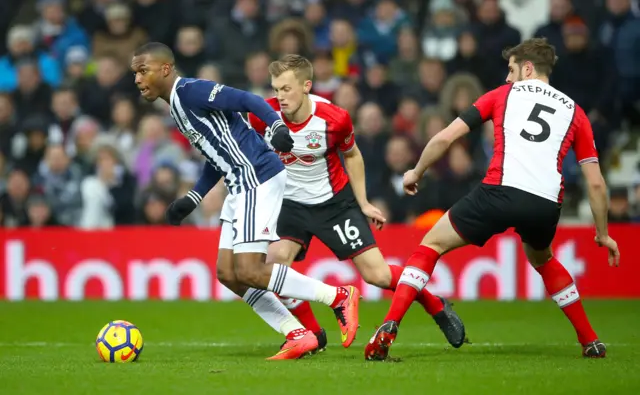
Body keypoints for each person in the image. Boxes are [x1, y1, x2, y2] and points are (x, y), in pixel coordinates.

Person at [365, 38, 620, 361]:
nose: (507, 78)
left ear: (528, 68)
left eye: (512, 70)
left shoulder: (503, 95)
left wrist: (416, 171)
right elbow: (596, 184)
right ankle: (590, 340)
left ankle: (390, 324)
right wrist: (603, 233)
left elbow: (446, 136)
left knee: (430, 245)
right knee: (543, 259)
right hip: (545, 204)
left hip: (499, 190)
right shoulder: (576, 112)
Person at [130, 42, 361, 360]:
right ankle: (297, 334)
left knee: (251, 270)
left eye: (143, 70)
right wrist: (193, 198)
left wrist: (277, 125)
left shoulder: (191, 91)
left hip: (258, 177)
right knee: (228, 273)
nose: (138, 79)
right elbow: (217, 155)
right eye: (135, 74)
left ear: (165, 69)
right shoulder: (176, 108)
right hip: (240, 184)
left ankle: (338, 296)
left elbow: (247, 99)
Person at [241, 54, 466, 352]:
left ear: (307, 86)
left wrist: (363, 202)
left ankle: (434, 304)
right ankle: (312, 334)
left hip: (334, 204)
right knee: (271, 269)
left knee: (378, 275)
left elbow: (352, 155)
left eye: (287, 89)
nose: (280, 97)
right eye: (276, 89)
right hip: (290, 205)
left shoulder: (334, 119)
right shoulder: (262, 115)